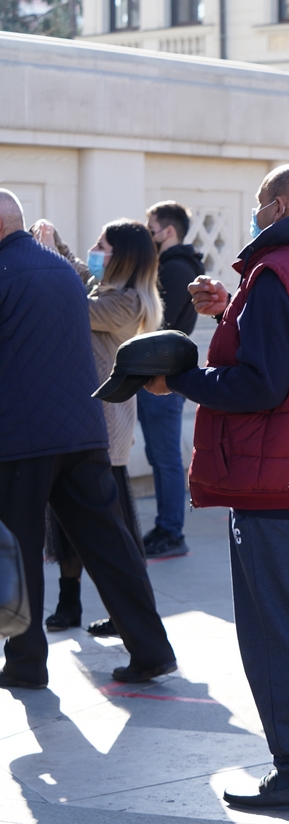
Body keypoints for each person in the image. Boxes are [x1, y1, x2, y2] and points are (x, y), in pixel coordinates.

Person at [145, 164, 289, 812]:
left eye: (261, 204)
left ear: (281, 204)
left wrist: (181, 381)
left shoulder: (275, 272)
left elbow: (259, 383)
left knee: (276, 630)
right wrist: (226, 310)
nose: (256, 215)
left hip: (272, 484)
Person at [0, 188, 177, 690]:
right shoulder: (60, 271)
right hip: (83, 431)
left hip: (19, 436)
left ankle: (26, 662)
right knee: (111, 544)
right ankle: (151, 649)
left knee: (16, 549)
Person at [39, 219, 165, 636]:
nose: (94, 251)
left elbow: (71, 301)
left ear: (123, 256)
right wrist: (59, 245)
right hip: (84, 425)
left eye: (101, 246)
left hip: (105, 430)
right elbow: (81, 279)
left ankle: (130, 614)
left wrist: (43, 255)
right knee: (67, 524)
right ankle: (70, 603)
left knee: (115, 535)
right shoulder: (110, 292)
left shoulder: (125, 304)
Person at [138, 201, 203, 559]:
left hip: (163, 378)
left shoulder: (176, 268)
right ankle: (166, 527)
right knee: (159, 453)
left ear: (169, 232)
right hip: (159, 375)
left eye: (151, 229)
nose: (149, 235)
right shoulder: (175, 266)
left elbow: (158, 324)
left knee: (164, 456)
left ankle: (171, 531)